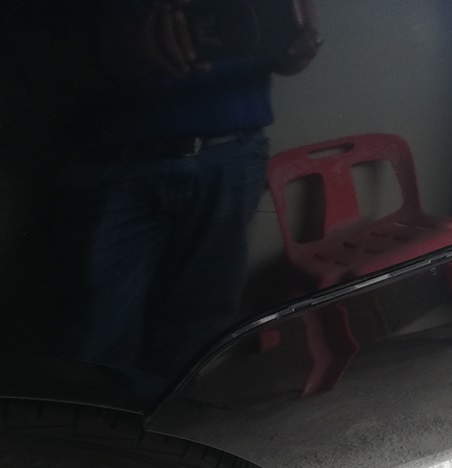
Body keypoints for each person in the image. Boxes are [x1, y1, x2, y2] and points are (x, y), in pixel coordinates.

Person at [44, 0, 321, 404]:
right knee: (94, 350)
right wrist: (114, 50)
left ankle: (162, 431)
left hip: (230, 153)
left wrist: (298, 47)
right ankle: (105, 439)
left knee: (195, 341)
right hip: (115, 160)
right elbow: (29, 50)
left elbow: (285, 50)